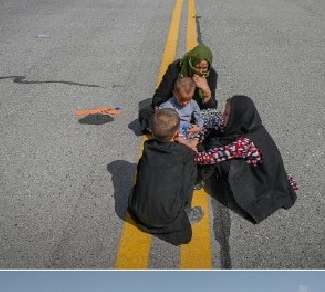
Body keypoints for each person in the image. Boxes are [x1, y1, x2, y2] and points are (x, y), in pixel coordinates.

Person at [185, 95, 296, 223]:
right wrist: (198, 136)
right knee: (215, 139)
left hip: (259, 182)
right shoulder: (251, 127)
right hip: (266, 173)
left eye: (227, 114)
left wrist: (190, 150)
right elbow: (216, 128)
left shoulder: (245, 143)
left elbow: (208, 158)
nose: (223, 117)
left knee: (215, 159)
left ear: (236, 116)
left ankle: (193, 181)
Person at [127, 108, 197, 246]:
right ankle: (187, 211)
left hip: (139, 211)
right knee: (185, 237)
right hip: (166, 216)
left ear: (151, 132)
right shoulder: (184, 154)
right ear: (177, 133)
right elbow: (186, 185)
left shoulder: (147, 150)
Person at [149, 44, 218, 129]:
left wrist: (206, 92)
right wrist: (165, 114)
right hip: (174, 108)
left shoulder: (211, 74)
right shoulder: (176, 68)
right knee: (148, 114)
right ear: (190, 63)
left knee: (216, 120)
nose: (200, 71)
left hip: (196, 111)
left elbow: (211, 110)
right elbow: (159, 97)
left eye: (204, 68)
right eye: (197, 67)